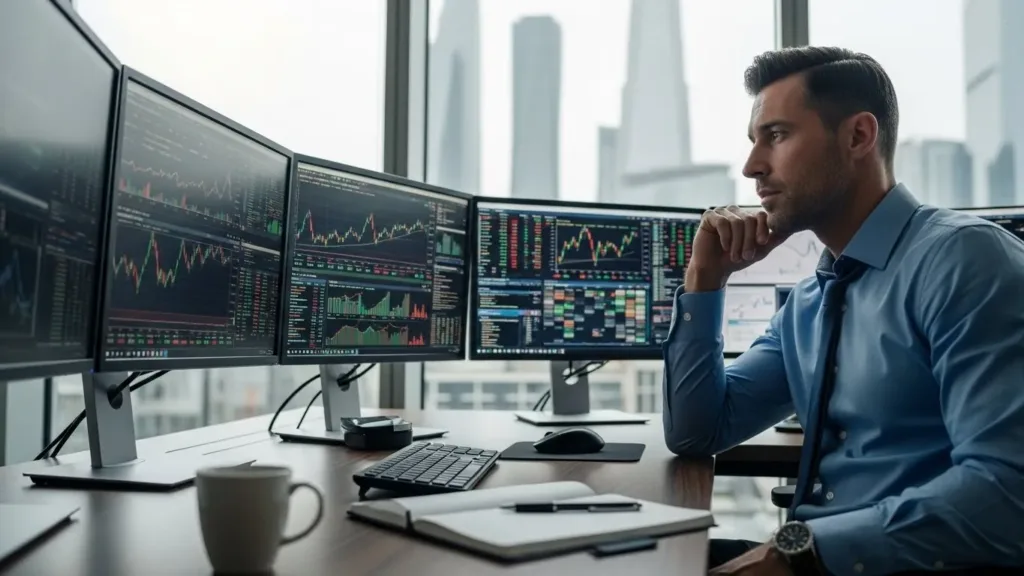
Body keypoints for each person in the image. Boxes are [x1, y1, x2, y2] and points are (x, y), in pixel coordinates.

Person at [662, 46, 1024, 576]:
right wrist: (705, 280)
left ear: (858, 136)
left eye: (777, 135)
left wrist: (799, 556)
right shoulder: (811, 301)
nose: (752, 166)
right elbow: (699, 431)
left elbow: (1007, 493)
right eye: (753, 141)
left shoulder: (966, 261)